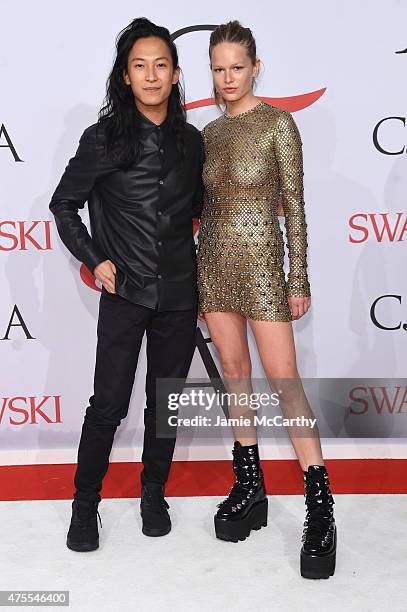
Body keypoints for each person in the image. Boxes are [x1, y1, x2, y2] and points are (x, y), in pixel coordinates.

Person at [49, 17, 204, 552]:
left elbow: (197, 214)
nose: (151, 75)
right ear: (125, 77)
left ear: (176, 74)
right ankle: (84, 506)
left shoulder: (191, 142)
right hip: (124, 295)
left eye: (161, 65)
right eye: (140, 66)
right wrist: (96, 259)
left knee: (166, 403)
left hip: (180, 297)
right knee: (108, 404)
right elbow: (63, 205)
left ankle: (153, 494)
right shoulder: (101, 140)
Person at [196, 20, 336, 579]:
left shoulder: (279, 124)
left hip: (263, 269)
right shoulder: (206, 135)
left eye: (237, 67)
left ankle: (320, 505)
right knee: (234, 372)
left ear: (257, 68)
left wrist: (297, 278)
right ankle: (250, 486)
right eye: (219, 69)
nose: (228, 78)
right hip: (214, 265)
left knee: (285, 382)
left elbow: (296, 209)